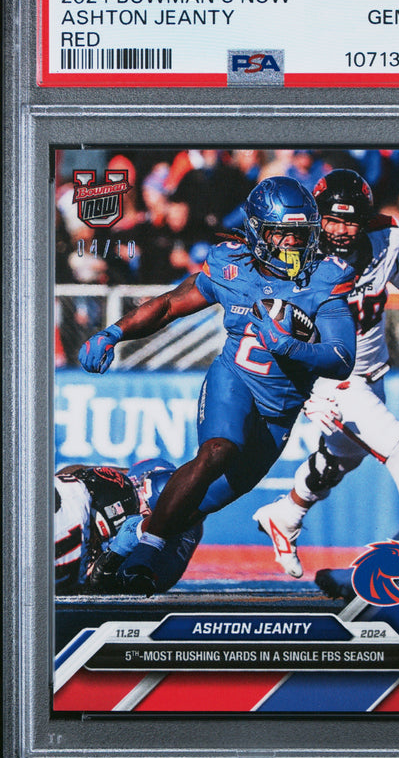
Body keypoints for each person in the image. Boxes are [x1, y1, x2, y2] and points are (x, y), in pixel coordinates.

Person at [79, 176, 357, 595]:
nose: (292, 244)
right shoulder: (232, 266)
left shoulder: (325, 279)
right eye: (282, 234)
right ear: (258, 232)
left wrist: (289, 347)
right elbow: (170, 305)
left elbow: (341, 358)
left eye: (301, 235)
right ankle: (142, 553)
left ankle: (128, 538)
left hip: (278, 413)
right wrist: (113, 332)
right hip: (235, 380)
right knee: (217, 451)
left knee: (197, 506)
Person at [253, 169, 399, 578]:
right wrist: (305, 390)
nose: (340, 230)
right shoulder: (298, 256)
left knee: (340, 460)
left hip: (372, 372)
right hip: (332, 378)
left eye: (350, 221)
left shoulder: (383, 240)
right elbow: (271, 327)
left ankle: (286, 514)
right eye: (331, 220)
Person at [54, 460, 202, 594]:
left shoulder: (174, 544)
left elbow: (141, 583)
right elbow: (79, 473)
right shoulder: (147, 472)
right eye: (138, 486)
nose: (137, 498)